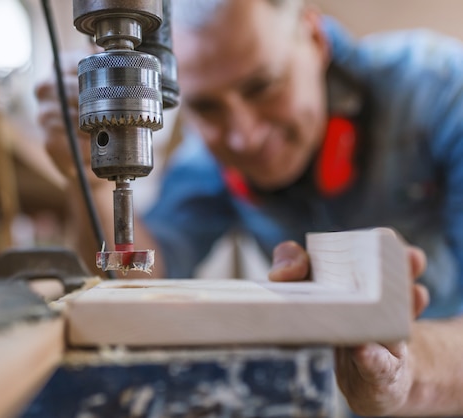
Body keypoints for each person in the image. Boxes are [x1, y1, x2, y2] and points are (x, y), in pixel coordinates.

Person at [36, 0, 463, 415]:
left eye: (262, 86)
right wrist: (88, 183)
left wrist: (406, 373)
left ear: (313, 37)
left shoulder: (442, 92)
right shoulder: (208, 163)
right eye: (207, 107)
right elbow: (138, 277)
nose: (243, 137)